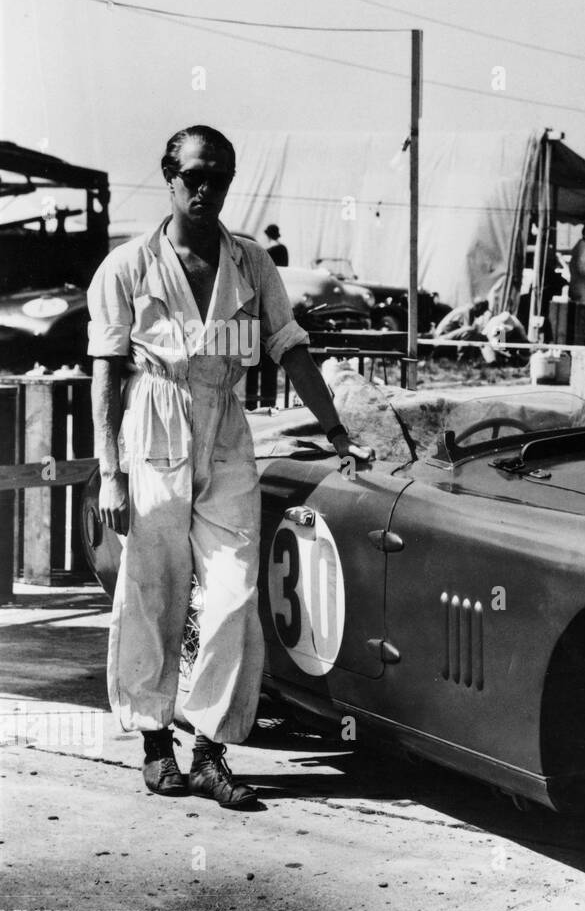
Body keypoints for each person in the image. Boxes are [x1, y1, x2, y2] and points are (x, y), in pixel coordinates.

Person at [89, 125, 374, 809]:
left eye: (219, 176)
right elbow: (103, 372)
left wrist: (337, 431)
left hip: (225, 431)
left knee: (231, 590)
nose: (206, 188)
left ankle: (212, 748)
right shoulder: (128, 266)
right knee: (152, 586)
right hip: (153, 423)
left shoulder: (250, 264)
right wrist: (109, 470)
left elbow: (290, 349)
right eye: (194, 175)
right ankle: (156, 741)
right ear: (169, 174)